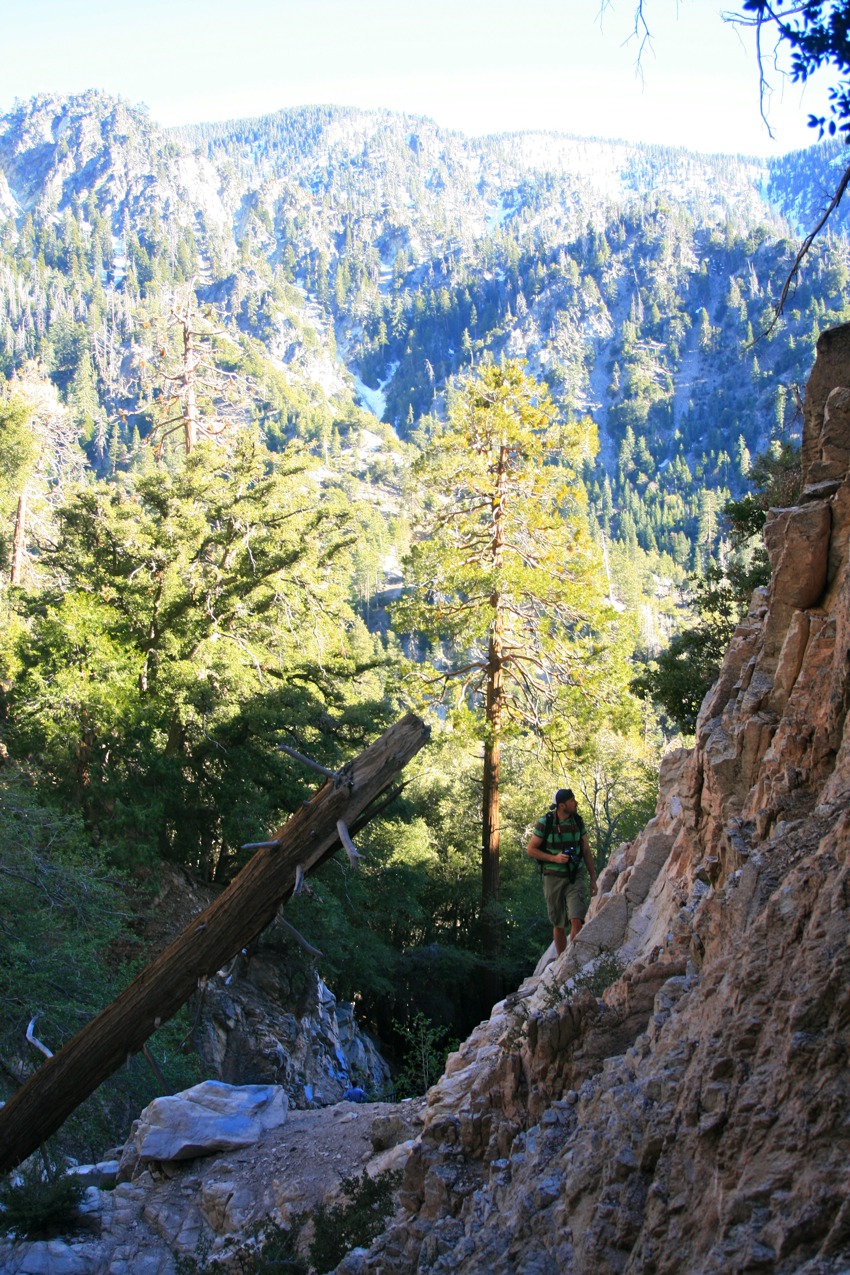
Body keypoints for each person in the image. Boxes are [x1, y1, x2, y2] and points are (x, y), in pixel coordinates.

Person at [526, 788, 598, 956]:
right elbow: (531, 849)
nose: (576, 803)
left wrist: (593, 878)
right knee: (558, 923)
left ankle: (572, 959)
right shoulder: (546, 822)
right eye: (572, 801)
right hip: (553, 878)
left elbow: (586, 850)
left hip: (575, 876)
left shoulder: (578, 821)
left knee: (577, 919)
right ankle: (561, 961)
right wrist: (554, 858)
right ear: (562, 805)